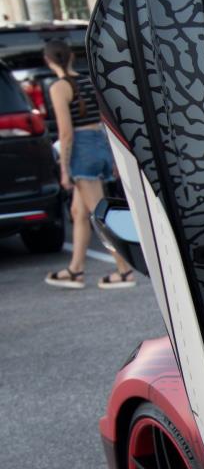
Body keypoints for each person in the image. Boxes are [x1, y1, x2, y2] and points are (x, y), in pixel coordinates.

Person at [42, 38, 134, 289]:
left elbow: (66, 133)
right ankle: (76, 270)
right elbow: (103, 119)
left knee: (100, 215)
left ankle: (125, 270)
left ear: (48, 61)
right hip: (99, 144)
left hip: (81, 149)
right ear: (71, 57)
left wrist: (64, 169)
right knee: (78, 212)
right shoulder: (86, 81)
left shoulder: (59, 87)